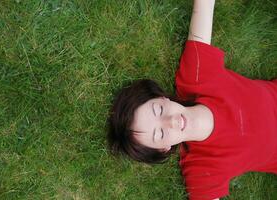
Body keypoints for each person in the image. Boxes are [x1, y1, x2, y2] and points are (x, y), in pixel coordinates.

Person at [107, 0, 277, 199]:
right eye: (160, 134)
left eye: (158, 110)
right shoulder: (201, 170)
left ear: (161, 98)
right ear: (164, 148)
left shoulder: (195, 77)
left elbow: (204, 5)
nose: (170, 122)